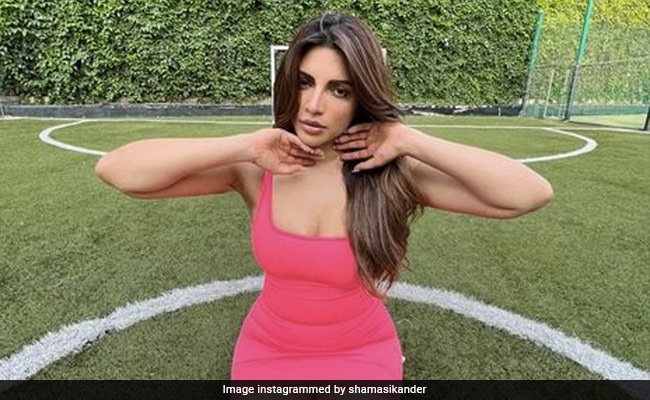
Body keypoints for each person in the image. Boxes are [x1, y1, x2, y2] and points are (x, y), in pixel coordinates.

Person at [94, 12, 554, 382]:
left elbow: (528, 194)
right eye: (304, 82)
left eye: (339, 90)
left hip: (362, 351)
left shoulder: (391, 173)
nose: (314, 105)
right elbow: (118, 171)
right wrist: (241, 146)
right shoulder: (256, 168)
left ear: (361, 98)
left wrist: (411, 139)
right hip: (269, 350)